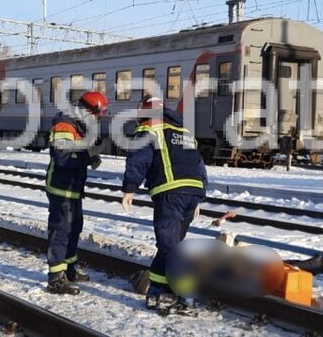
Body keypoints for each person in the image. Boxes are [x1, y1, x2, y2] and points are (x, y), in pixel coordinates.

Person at [121, 96, 207, 314]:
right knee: (169, 246)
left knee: (172, 249)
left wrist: (130, 188)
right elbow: (199, 165)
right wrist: (199, 196)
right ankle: (155, 291)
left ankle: (186, 299)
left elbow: (138, 159)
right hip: (192, 192)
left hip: (170, 194)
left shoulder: (150, 130)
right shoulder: (184, 132)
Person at [43, 91, 109, 295]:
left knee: (74, 228)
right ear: (88, 110)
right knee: (61, 230)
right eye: (98, 115)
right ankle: (55, 278)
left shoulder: (79, 126)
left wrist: (89, 158)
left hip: (72, 189)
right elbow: (63, 157)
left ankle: (69, 270)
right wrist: (87, 155)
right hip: (61, 188)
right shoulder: (65, 125)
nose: (98, 119)